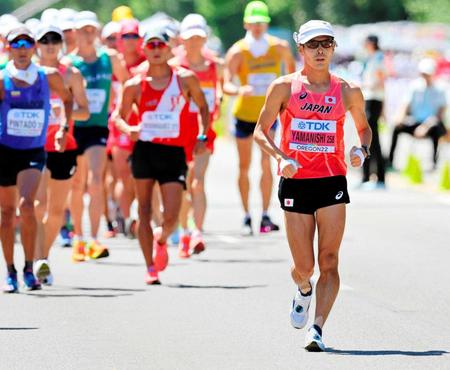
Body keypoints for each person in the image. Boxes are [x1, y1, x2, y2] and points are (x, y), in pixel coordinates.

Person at [254, 20, 372, 351]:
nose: (320, 50)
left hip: (332, 180)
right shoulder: (283, 87)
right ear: (301, 50)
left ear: (333, 48)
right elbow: (260, 132)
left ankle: (317, 328)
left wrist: (360, 150)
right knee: (304, 267)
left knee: (330, 259)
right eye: (312, 44)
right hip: (296, 181)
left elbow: (364, 129)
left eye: (326, 43)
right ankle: (304, 289)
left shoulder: (348, 90)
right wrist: (280, 157)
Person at [115, 26, 209, 284]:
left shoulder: (185, 79)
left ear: (169, 49)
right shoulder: (135, 84)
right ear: (144, 49)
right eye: (151, 45)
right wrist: (129, 129)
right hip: (145, 150)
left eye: (160, 45)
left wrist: (202, 136)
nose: (156, 50)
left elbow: (203, 107)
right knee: (144, 209)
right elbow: (118, 116)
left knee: (171, 215)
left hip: (173, 152)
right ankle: (150, 267)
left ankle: (163, 237)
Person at [0, 26, 73, 292]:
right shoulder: (2, 79)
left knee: (27, 206)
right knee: (7, 214)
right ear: (9, 48)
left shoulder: (48, 76)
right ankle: (10, 271)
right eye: (15, 43)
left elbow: (67, 99)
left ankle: (30, 267)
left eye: (26, 43)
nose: (21, 49)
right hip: (4, 150)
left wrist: (64, 128)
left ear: (34, 47)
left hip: (32, 150)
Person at [224, 0, 296, 235]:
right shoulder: (238, 51)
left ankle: (265, 215)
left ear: (267, 24)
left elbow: (294, 73)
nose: (257, 27)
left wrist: (286, 98)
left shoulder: (279, 47)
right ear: (246, 23)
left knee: (267, 164)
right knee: (244, 166)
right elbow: (225, 84)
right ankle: (246, 216)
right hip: (244, 116)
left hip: (269, 116)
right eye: (254, 23)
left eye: (261, 23)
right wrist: (238, 90)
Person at [67, 11, 128, 262]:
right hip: (75, 128)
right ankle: (78, 238)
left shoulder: (109, 58)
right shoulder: (69, 63)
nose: (88, 34)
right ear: (76, 33)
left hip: (98, 127)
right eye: (83, 30)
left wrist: (119, 109)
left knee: (95, 181)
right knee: (77, 184)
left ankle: (94, 238)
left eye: (92, 29)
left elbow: (125, 82)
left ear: (97, 32)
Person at [34, 25, 90, 284]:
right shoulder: (28, 74)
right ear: (36, 44)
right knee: (37, 205)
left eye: (54, 39)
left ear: (61, 44)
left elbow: (84, 111)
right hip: (34, 145)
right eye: (44, 40)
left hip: (64, 145)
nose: (50, 44)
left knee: (56, 209)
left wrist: (63, 116)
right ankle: (33, 259)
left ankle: (42, 258)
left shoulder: (72, 74)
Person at [170, 14, 224, 257]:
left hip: (204, 133)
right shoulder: (173, 66)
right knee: (183, 187)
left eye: (199, 38)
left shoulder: (214, 65)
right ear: (182, 39)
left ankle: (198, 232)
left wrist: (220, 99)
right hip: (178, 135)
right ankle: (184, 231)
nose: (194, 42)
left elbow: (220, 87)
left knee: (198, 182)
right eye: (190, 38)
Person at [107, 18, 146, 237]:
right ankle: (126, 217)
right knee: (122, 174)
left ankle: (138, 215)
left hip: (142, 125)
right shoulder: (113, 63)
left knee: (138, 174)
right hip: (119, 124)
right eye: (126, 36)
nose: (130, 41)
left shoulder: (147, 61)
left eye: (134, 36)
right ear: (119, 40)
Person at [388, 58, 447, 169]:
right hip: (416, 121)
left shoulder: (440, 88)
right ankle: (390, 160)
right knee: (396, 127)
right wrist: (400, 117)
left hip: (432, 123)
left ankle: (433, 163)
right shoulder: (415, 86)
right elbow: (405, 104)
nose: (425, 76)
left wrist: (425, 126)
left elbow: (439, 113)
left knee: (436, 130)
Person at [360, 35, 386, 187]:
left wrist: (366, 86)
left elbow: (380, 82)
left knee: (371, 138)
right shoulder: (372, 58)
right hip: (370, 98)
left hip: (374, 99)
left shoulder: (378, 58)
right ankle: (370, 175)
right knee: (371, 138)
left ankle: (375, 176)